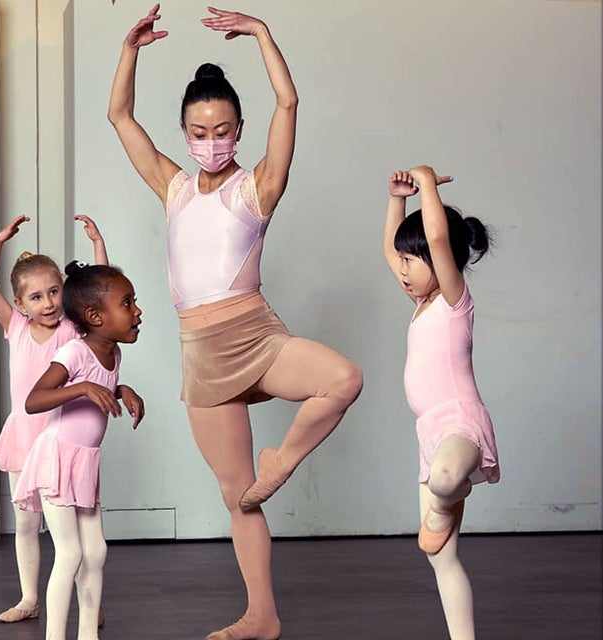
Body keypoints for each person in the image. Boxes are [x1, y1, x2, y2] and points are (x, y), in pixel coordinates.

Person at [108, 5, 363, 639]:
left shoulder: (257, 188)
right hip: (202, 351)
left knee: (343, 378)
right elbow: (119, 117)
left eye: (223, 130)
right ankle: (261, 616)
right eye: (198, 131)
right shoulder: (173, 187)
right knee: (236, 496)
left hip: (254, 334)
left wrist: (263, 36)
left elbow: (289, 105)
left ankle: (283, 463)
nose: (211, 141)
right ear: (185, 132)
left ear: (239, 130)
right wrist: (130, 49)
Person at [383, 166, 499, 639]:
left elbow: (434, 233)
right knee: (441, 557)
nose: (404, 270)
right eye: (404, 262)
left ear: (443, 257)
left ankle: (447, 499)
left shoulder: (455, 300)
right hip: (429, 433)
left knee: (448, 478)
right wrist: (396, 199)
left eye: (416, 260)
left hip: (460, 423)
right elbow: (392, 249)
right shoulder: (421, 303)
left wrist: (426, 186)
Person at [0, 214, 109, 624]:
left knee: (80, 528)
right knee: (27, 523)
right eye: (36, 297)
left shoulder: (72, 330)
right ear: (20, 304)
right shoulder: (14, 326)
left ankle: (90, 603)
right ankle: (29, 598)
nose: (48, 303)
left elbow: (102, 295)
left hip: (62, 440)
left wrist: (97, 246)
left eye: (54, 292)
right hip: (23, 437)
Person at [13, 261, 144, 640]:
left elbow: (104, 384)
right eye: (127, 303)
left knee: (96, 552)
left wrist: (122, 390)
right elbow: (34, 400)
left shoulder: (113, 353)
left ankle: (88, 634)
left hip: (84, 463)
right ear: (94, 317)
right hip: (57, 459)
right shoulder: (74, 352)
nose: (137, 311)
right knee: (69, 554)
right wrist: (83, 388)